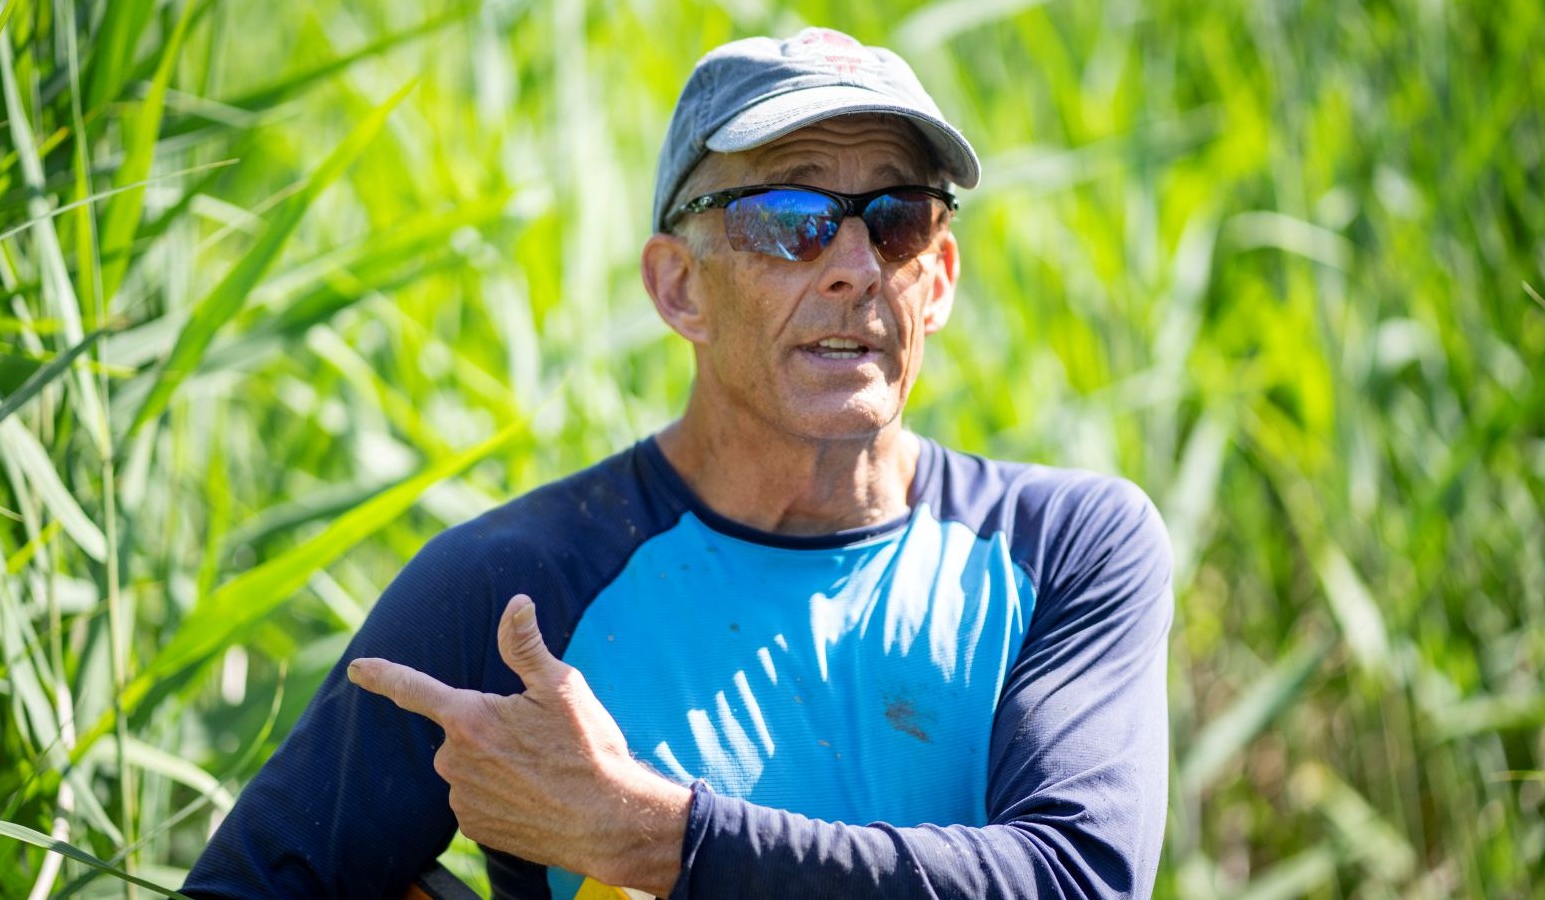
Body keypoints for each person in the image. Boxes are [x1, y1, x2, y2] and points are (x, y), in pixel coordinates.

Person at [183, 27, 1173, 900]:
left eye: (897, 218)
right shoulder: (517, 590)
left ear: (939, 277)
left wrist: (651, 836)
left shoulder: (1064, 550)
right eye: (789, 219)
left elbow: (1077, 880)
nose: (853, 265)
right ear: (677, 288)